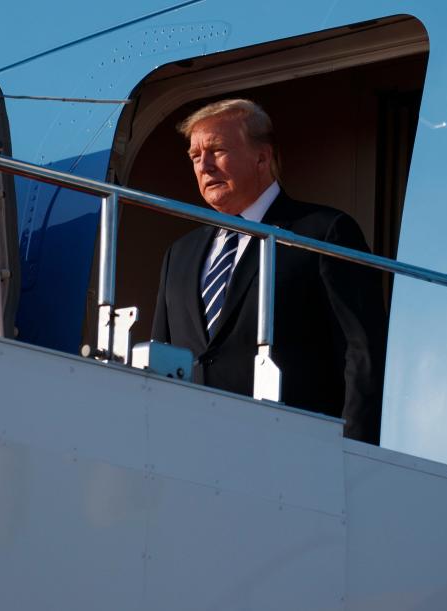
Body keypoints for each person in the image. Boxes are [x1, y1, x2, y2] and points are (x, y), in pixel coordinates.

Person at [151, 98, 387, 444]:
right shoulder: (179, 254)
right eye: (195, 156)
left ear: (262, 156)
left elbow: (363, 350)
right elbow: (164, 354)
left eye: (216, 150)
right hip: (192, 451)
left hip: (295, 450)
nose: (205, 166)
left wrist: (353, 450)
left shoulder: (323, 233)